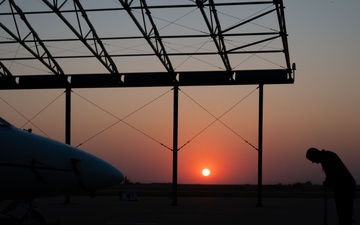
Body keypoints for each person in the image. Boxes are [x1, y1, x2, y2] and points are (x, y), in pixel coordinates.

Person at [306, 148, 356, 225]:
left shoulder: (326, 158)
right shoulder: (326, 156)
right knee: (343, 211)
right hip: (343, 185)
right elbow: (331, 174)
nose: (313, 162)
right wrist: (328, 181)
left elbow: (334, 173)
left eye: (312, 159)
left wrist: (328, 182)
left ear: (315, 155)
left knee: (344, 211)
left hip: (345, 186)